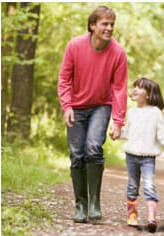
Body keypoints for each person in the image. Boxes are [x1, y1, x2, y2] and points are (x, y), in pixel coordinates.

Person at [57, 6, 128, 223]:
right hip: (76, 107)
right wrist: (66, 106)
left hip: (100, 105)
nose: (109, 28)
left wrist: (118, 121)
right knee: (77, 154)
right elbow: (64, 79)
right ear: (92, 25)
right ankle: (81, 204)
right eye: (104, 24)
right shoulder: (75, 46)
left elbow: (119, 88)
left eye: (112, 24)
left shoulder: (117, 52)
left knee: (94, 147)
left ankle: (95, 202)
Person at [117, 78, 164, 233]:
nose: (134, 90)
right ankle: (132, 215)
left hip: (148, 157)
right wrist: (117, 133)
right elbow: (128, 133)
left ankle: (151, 217)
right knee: (132, 185)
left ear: (148, 95)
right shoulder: (131, 112)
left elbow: (161, 134)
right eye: (134, 87)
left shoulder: (155, 113)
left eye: (139, 88)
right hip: (131, 155)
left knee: (148, 185)